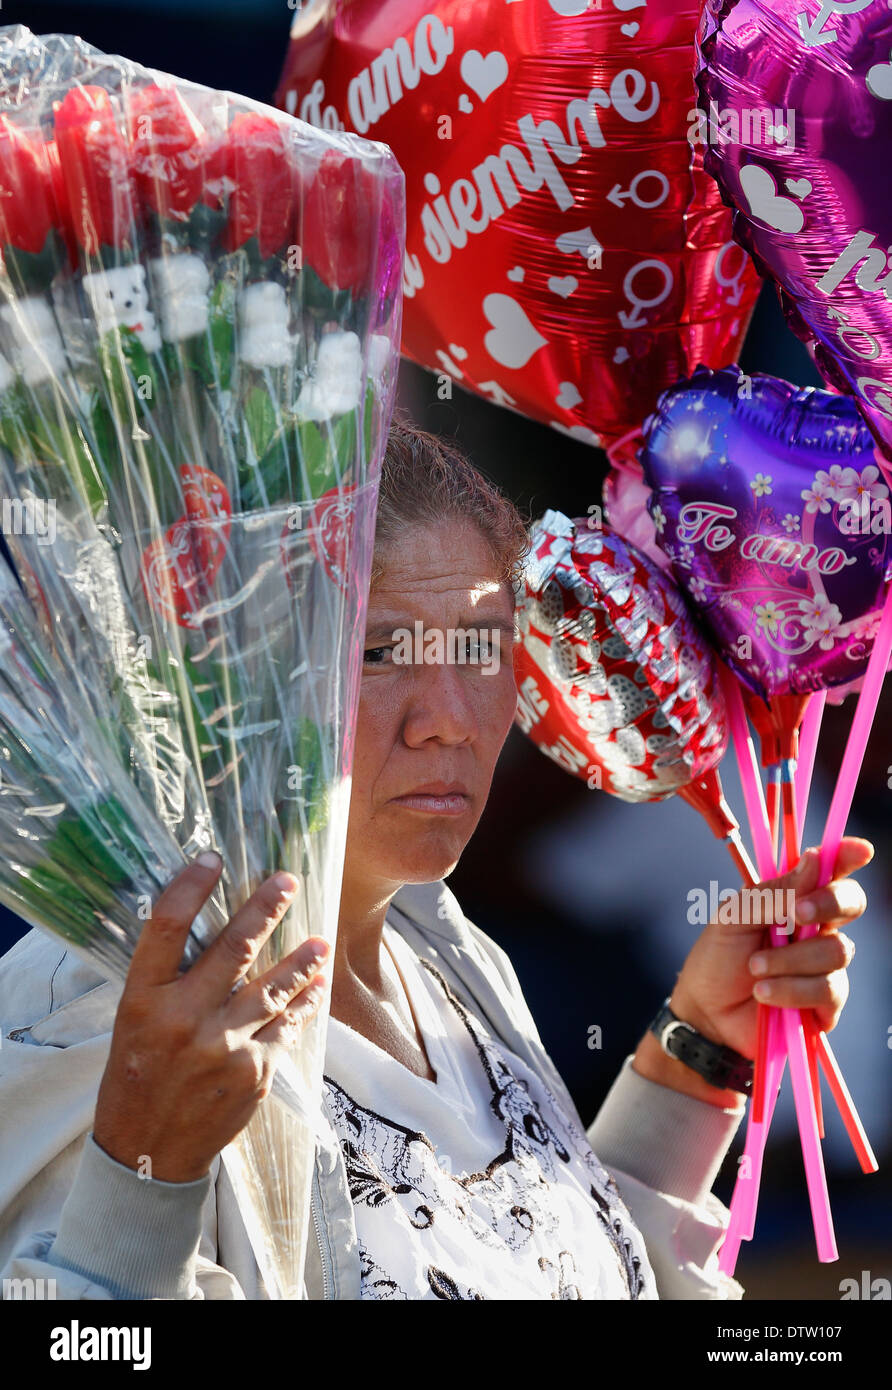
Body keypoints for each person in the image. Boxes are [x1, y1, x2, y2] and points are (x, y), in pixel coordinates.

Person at [0, 414, 871, 1300]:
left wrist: (697, 1052)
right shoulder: (113, 1013)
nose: (449, 717)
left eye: (480, 647)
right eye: (381, 651)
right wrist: (144, 1171)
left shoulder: (446, 954)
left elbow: (547, 1267)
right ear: (225, 683)